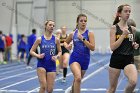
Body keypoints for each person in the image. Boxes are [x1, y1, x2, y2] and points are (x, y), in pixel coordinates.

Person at [107, 4, 139, 93]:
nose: (128, 13)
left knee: (133, 82)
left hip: (128, 59)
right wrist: (123, 35)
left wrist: (134, 45)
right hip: (116, 59)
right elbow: (112, 47)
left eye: (129, 11)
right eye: (125, 11)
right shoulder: (114, 28)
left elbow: (131, 42)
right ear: (119, 14)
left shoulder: (132, 29)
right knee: (112, 89)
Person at [64, 14, 95, 93]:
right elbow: (65, 42)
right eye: (81, 21)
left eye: (85, 21)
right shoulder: (73, 34)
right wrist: (67, 46)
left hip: (85, 59)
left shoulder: (89, 33)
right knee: (78, 78)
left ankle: (72, 91)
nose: (83, 22)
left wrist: (83, 39)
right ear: (77, 22)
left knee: (77, 80)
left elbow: (92, 48)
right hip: (75, 58)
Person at [30, 20, 62, 93]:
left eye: (53, 25)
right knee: (43, 86)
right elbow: (31, 51)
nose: (52, 27)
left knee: (50, 90)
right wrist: (38, 55)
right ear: (46, 26)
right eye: (50, 25)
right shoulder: (40, 39)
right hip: (42, 65)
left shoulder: (56, 40)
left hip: (52, 65)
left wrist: (57, 56)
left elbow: (60, 51)